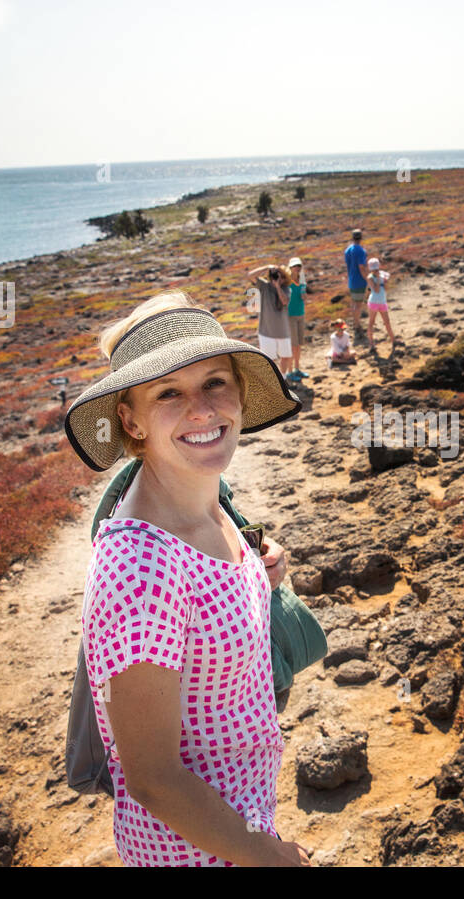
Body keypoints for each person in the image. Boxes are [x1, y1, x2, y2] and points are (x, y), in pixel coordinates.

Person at [63, 289, 311, 867]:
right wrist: (267, 857)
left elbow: (209, 604)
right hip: (194, 848)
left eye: (214, 383)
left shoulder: (210, 502)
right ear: (131, 420)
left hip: (243, 816)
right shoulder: (139, 569)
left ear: (241, 394)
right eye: (168, 393)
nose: (201, 410)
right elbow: (152, 776)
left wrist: (261, 567)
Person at [246, 263, 292, 373]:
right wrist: (266, 267)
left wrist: (278, 287)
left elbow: (284, 301)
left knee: (285, 356)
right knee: (269, 359)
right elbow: (249, 275)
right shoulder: (264, 286)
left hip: (282, 330)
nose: (277, 277)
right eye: (276, 274)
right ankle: (274, 380)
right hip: (266, 330)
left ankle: (283, 378)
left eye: (281, 275)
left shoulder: (286, 289)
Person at [285, 256, 309, 383]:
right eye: (295, 266)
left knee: (299, 344)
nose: (297, 268)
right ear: (290, 268)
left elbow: (304, 296)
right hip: (290, 316)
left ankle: (297, 368)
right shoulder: (287, 282)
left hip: (301, 314)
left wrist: (304, 296)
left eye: (299, 266)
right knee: (292, 345)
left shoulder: (302, 280)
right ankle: (289, 372)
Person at [364, 257, 396, 350]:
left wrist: (384, 281)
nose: (376, 270)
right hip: (374, 302)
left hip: (382, 301)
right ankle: (371, 344)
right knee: (371, 322)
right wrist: (378, 279)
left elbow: (385, 288)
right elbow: (376, 290)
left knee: (387, 322)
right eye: (374, 269)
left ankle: (393, 340)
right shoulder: (370, 277)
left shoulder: (382, 275)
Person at [344, 228, 369, 338]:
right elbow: (361, 267)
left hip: (351, 280)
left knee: (354, 303)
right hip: (359, 281)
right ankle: (357, 325)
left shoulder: (348, 250)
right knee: (358, 305)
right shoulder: (360, 251)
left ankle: (355, 323)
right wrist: (368, 279)